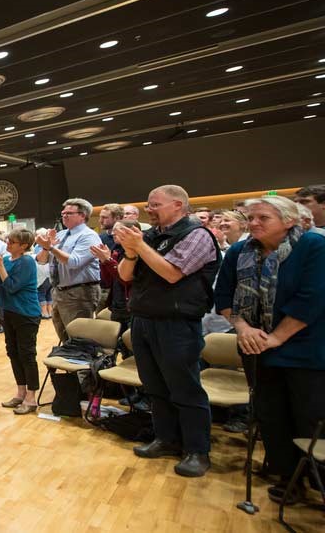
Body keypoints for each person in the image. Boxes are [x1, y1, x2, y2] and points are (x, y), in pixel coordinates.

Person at [215, 195, 325, 504]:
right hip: (255, 347)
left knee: (311, 416)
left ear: (289, 220)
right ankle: (289, 478)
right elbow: (223, 297)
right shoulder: (239, 251)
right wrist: (242, 327)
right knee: (272, 416)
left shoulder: (313, 247)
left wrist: (276, 336)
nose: (253, 224)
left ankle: (319, 482)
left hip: (306, 347)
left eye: (263, 218)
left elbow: (313, 299)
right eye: (250, 218)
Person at [115, 185, 219, 478]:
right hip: (144, 319)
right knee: (155, 387)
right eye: (148, 204)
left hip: (177, 323)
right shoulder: (149, 236)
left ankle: (198, 450)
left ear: (178, 205)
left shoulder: (197, 234)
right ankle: (166, 438)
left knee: (185, 388)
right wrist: (132, 251)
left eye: (155, 204)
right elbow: (125, 275)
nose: (150, 209)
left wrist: (140, 246)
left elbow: (172, 272)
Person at [36, 198, 102, 342]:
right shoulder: (61, 235)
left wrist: (51, 247)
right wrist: (45, 247)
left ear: (83, 216)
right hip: (59, 291)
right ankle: (69, 361)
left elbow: (74, 262)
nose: (64, 216)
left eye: (69, 213)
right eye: (63, 213)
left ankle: (82, 364)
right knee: (63, 335)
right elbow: (41, 261)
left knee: (79, 337)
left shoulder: (89, 236)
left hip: (79, 292)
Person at [0, 228, 40, 414]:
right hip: (9, 311)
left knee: (27, 354)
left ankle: (31, 397)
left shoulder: (26, 261)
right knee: (12, 352)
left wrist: (0, 266)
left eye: (12, 242)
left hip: (26, 312)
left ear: (24, 245)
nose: (8, 244)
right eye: (8, 240)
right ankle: (20, 392)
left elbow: (11, 287)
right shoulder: (6, 261)